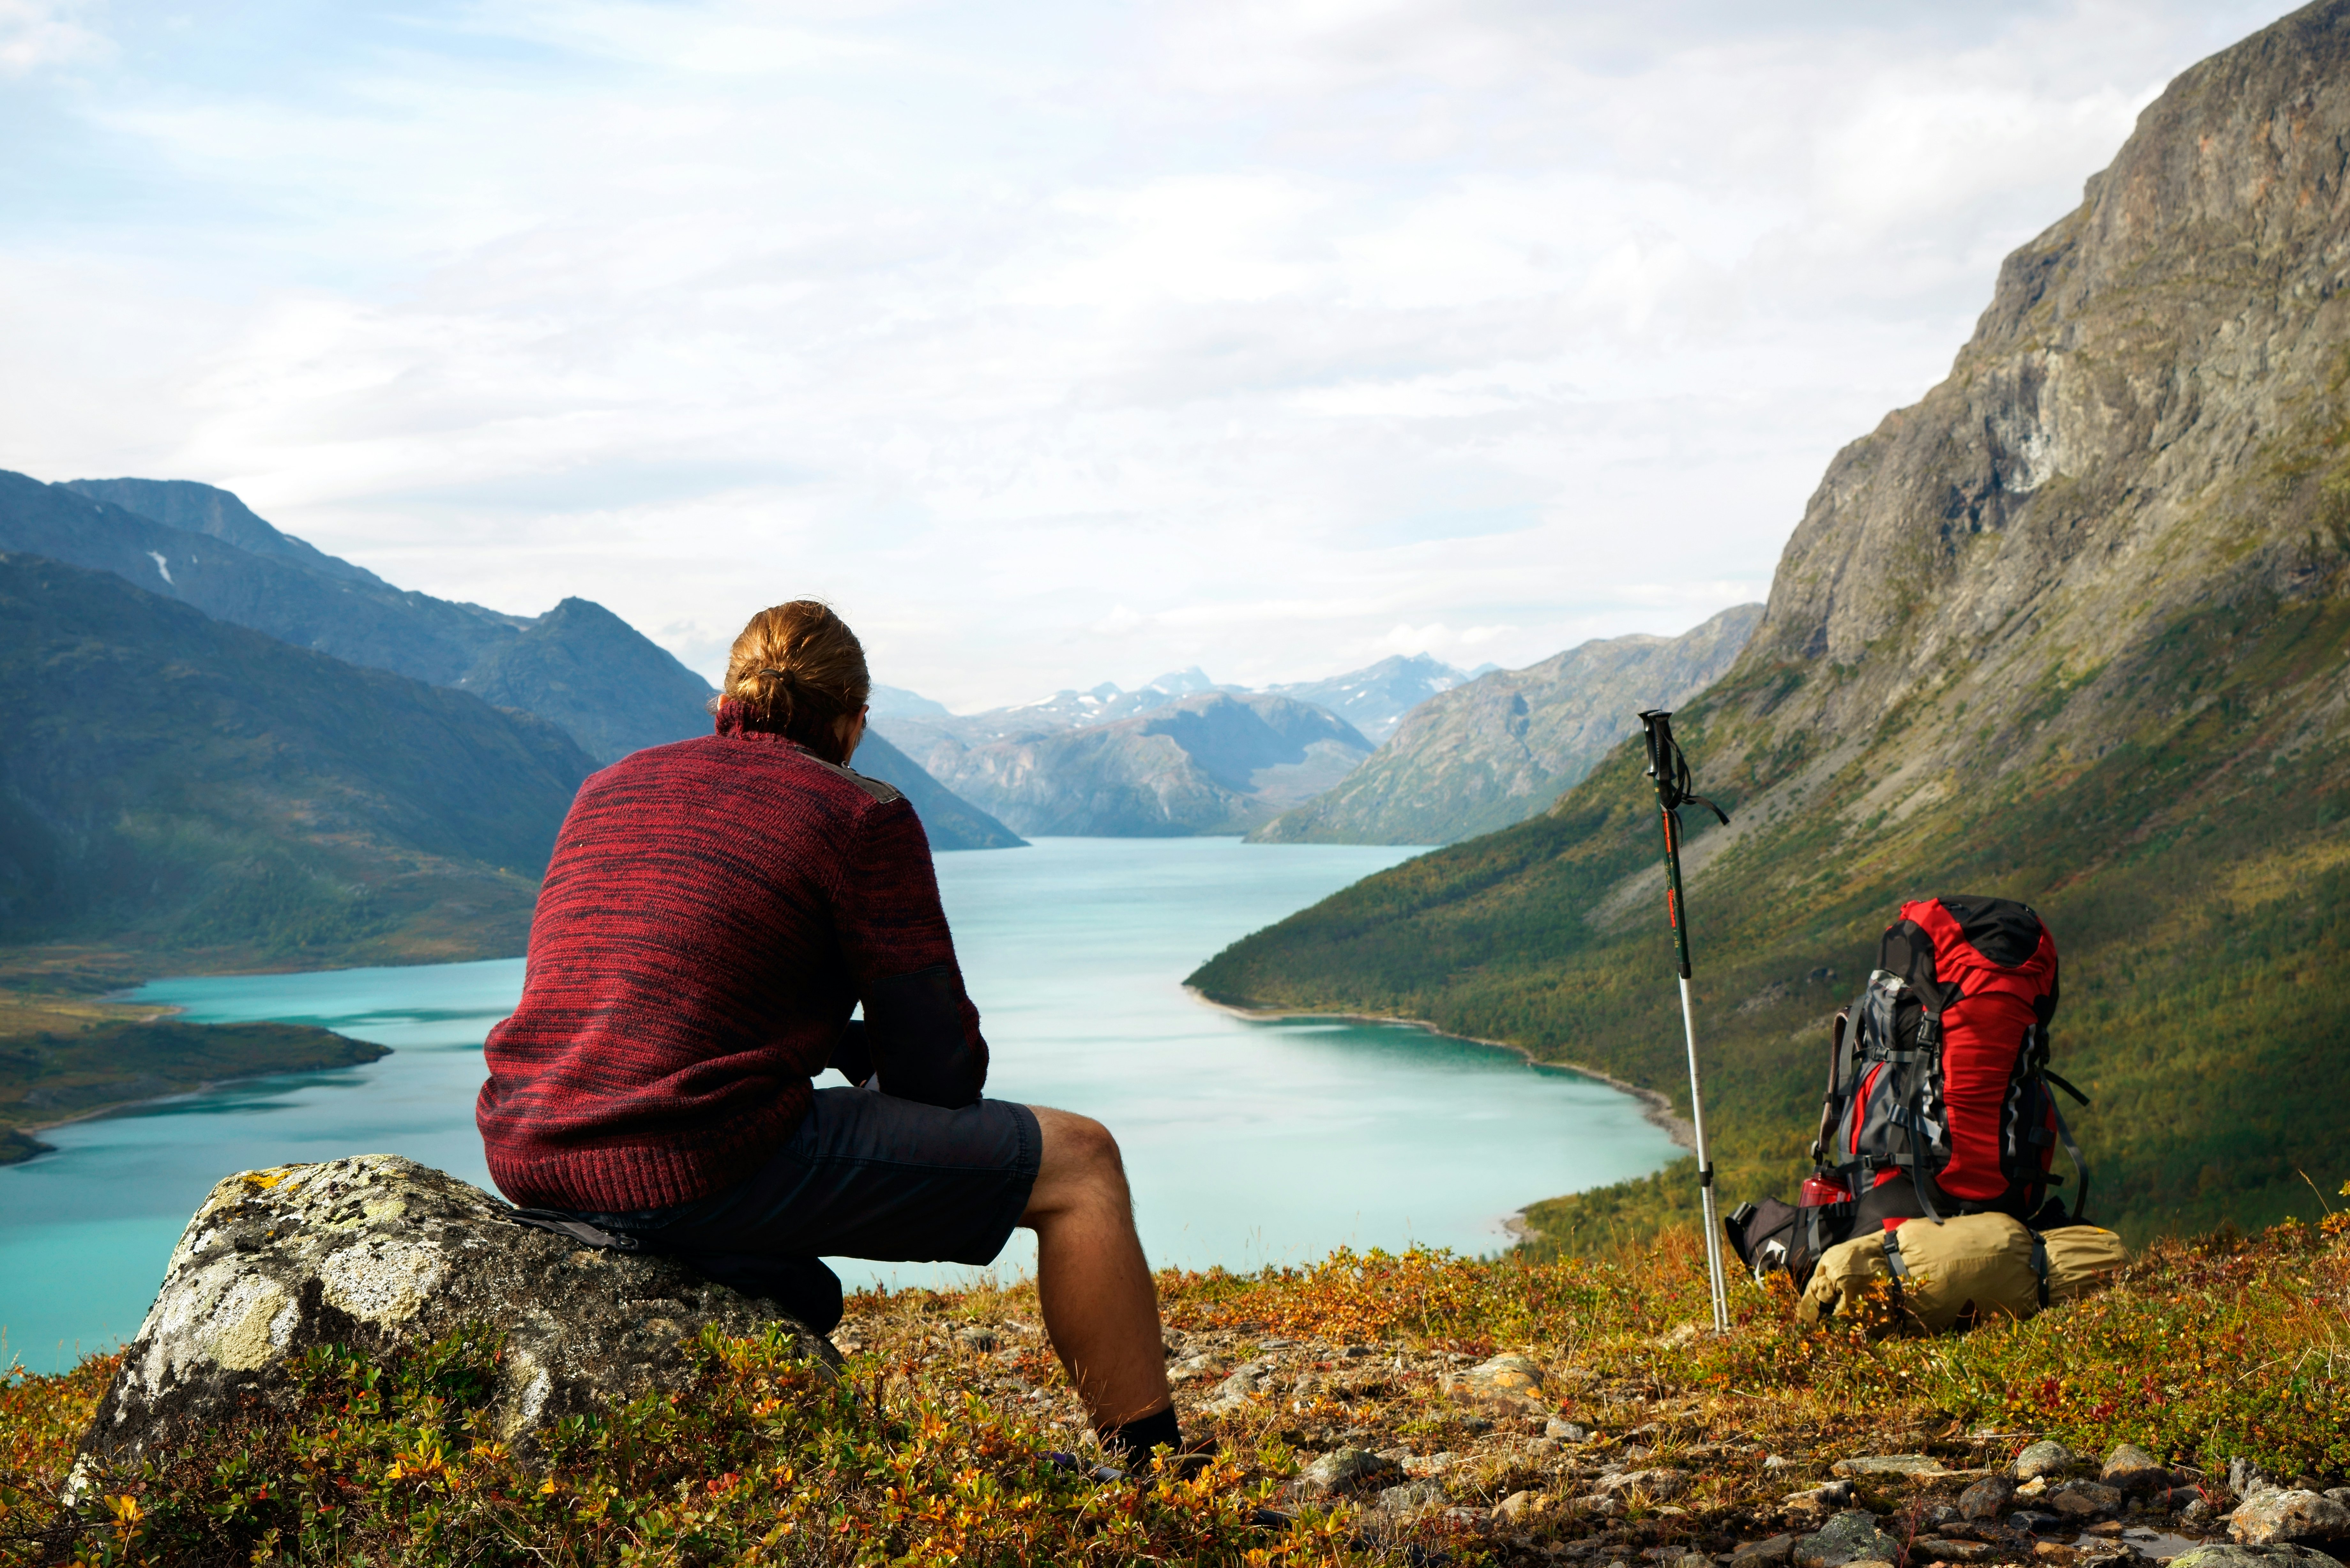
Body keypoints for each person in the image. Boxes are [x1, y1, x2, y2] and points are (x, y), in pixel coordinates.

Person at [475, 599, 1183, 1463]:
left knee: (780, 1225)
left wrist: (825, 1046)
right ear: (854, 721)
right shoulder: (858, 814)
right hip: (689, 1158)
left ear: (726, 699)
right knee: (1082, 1165)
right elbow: (938, 1074)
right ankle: (1160, 1475)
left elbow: (643, 1003)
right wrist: (863, 1059)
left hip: (530, 1149)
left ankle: (738, 1269)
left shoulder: (609, 786)